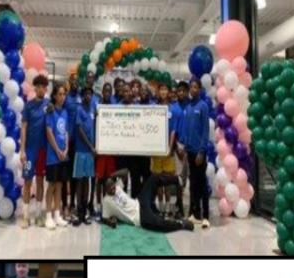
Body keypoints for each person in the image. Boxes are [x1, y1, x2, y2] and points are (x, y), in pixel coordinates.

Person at [99, 173, 196, 232]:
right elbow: (103, 218)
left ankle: (177, 179)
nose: (113, 189)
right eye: (110, 188)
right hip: (139, 217)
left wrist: (112, 175)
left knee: (153, 179)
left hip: (140, 202)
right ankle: (181, 224)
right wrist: (110, 223)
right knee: (159, 224)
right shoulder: (106, 201)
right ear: (105, 189)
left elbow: (125, 172)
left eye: (113, 186)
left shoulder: (118, 186)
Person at [20, 74, 50, 228]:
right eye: (39, 86)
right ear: (35, 87)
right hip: (30, 151)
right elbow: (23, 128)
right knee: (27, 181)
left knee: (40, 181)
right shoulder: (28, 106)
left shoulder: (48, 104)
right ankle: (25, 216)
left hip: (43, 151)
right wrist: (22, 150)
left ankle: (39, 214)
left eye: (44, 87)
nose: (42, 89)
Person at [180, 80, 210, 226]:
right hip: (190, 151)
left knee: (202, 183)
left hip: (199, 153)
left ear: (200, 89)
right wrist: (184, 145)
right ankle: (194, 212)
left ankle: (206, 215)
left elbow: (205, 131)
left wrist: (202, 151)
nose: (193, 89)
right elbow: (187, 129)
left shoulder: (203, 106)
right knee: (193, 183)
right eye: (191, 87)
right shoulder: (188, 107)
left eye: (195, 87)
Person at [45, 83, 73, 227]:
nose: (62, 97)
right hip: (53, 156)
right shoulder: (50, 111)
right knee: (52, 185)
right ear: (55, 95)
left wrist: (66, 149)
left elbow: (66, 132)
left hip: (64, 155)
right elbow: (49, 133)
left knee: (60, 185)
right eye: (60, 94)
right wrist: (57, 151)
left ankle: (57, 214)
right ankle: (48, 216)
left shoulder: (65, 112)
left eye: (64, 94)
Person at [73, 84, 98, 223]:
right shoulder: (79, 109)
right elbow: (80, 130)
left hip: (90, 152)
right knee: (80, 181)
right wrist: (90, 147)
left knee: (88, 180)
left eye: (90, 94)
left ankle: (85, 211)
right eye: (86, 94)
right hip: (81, 151)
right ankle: (79, 211)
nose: (88, 96)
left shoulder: (93, 109)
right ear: (82, 96)